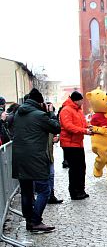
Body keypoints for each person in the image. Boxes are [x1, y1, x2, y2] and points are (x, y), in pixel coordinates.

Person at [12, 88, 61, 232]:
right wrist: (50, 112)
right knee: (44, 190)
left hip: (19, 157)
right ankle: (36, 221)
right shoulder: (40, 115)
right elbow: (56, 127)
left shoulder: (18, 113)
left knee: (26, 191)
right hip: (35, 158)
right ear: (40, 102)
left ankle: (29, 222)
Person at [60, 91, 93, 200]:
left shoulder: (78, 110)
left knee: (81, 167)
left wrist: (88, 127)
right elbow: (68, 126)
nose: (82, 102)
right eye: (81, 100)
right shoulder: (66, 110)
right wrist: (85, 130)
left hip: (78, 143)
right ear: (76, 100)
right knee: (74, 169)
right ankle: (74, 192)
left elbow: (82, 124)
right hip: (69, 144)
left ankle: (81, 190)